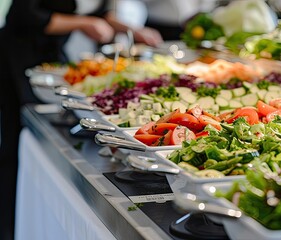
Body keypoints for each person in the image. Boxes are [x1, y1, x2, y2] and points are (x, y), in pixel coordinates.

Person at [0, 1, 163, 239]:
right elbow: (26, 16)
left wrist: (131, 29)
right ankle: (7, 225)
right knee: (15, 137)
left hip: (53, 54)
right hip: (17, 54)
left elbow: (101, 14)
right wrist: (85, 23)